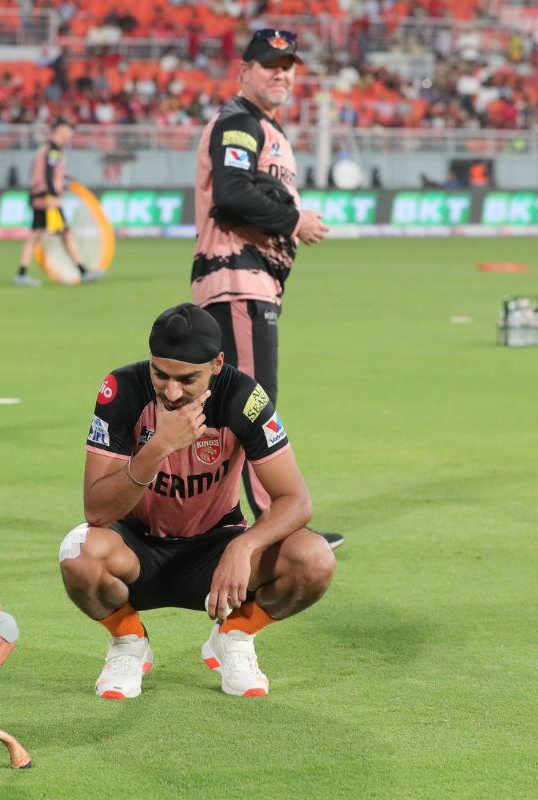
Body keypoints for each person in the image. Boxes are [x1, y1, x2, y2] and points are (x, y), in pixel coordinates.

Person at [60, 303, 336, 699]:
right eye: (161, 374)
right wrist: (159, 447)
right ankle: (127, 643)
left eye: (187, 378)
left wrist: (244, 545)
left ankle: (235, 635)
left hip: (216, 550)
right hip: (138, 550)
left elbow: (295, 500)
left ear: (218, 363)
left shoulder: (244, 397)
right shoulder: (121, 389)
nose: (171, 391)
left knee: (315, 558)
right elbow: (97, 510)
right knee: (77, 551)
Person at [190, 29, 343, 550]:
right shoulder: (238, 123)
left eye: (288, 65)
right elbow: (231, 196)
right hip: (237, 280)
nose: (281, 73)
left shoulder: (261, 128)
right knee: (256, 405)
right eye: (270, 64)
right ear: (245, 71)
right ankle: (274, 525)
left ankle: (213, 518)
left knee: (236, 407)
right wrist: (295, 219)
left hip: (251, 284)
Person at [13, 118, 101, 287]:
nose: (71, 134)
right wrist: (54, 193)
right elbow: (48, 173)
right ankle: (82, 271)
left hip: (39, 196)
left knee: (40, 234)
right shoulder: (53, 149)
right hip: (47, 199)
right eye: (69, 129)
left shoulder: (46, 149)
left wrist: (64, 178)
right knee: (60, 234)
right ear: (59, 129)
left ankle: (23, 273)